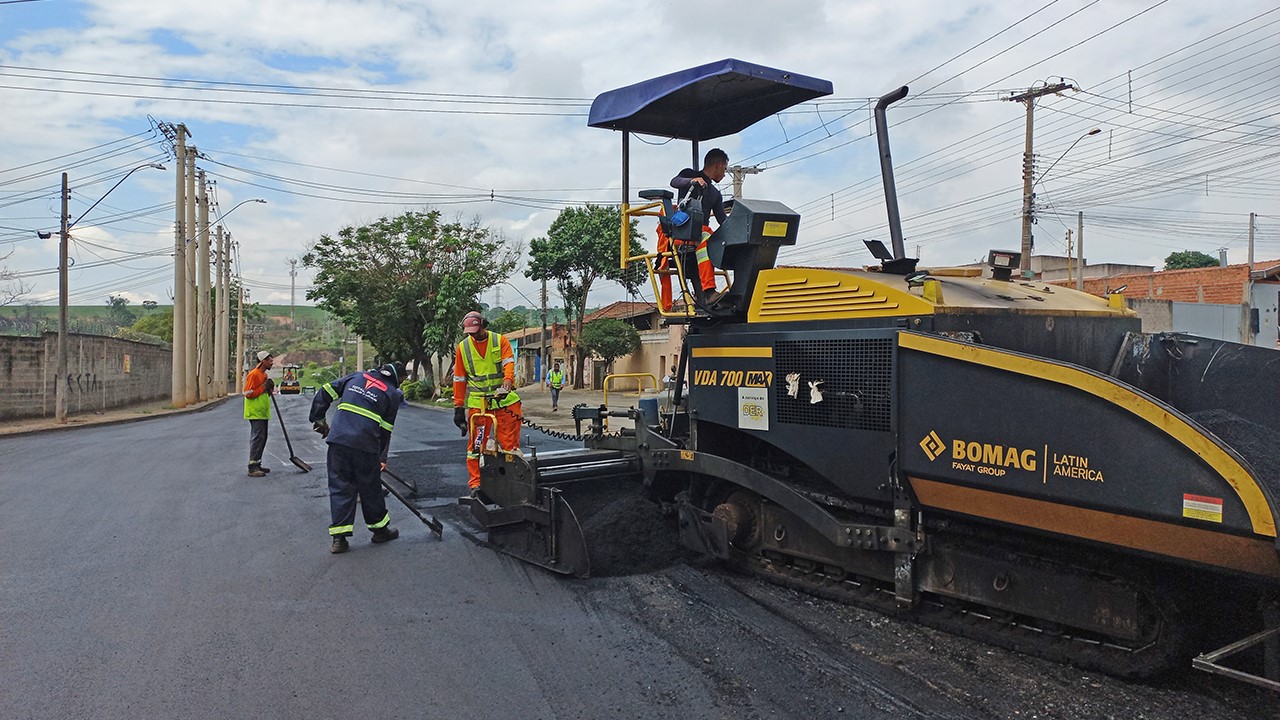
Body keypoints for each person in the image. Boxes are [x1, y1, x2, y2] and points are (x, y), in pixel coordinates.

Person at [309, 361, 406, 554]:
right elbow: (385, 431)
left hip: (338, 441)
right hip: (365, 445)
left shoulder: (357, 376)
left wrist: (318, 418)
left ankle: (339, 539)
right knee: (370, 488)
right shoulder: (392, 393)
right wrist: (380, 457)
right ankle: (380, 531)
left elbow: (325, 390)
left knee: (340, 487)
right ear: (396, 378)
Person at [453, 311, 521, 492]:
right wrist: (458, 407)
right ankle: (476, 483)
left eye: (477, 330)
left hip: (505, 402)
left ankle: (511, 482)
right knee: (476, 445)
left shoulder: (500, 341)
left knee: (509, 446)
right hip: (480, 406)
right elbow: (459, 378)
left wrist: (508, 380)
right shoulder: (463, 348)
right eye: (470, 332)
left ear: (484, 325)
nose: (474, 335)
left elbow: (508, 362)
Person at [658, 148, 729, 307]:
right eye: (724, 169)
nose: (724, 174)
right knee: (706, 239)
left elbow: (722, 220)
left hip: (701, 234)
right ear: (717, 165)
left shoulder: (715, 194)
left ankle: (709, 293)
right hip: (682, 232)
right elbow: (674, 181)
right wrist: (692, 181)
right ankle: (709, 291)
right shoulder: (689, 174)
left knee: (713, 239)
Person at [243, 350, 275, 477]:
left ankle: (257, 463)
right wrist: (263, 387)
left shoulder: (264, 375)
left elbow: (263, 393)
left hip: (262, 412)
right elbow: (247, 393)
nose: (272, 362)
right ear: (263, 361)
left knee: (262, 438)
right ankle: (252, 467)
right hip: (255, 412)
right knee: (257, 438)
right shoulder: (254, 374)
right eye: (270, 360)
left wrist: (269, 388)